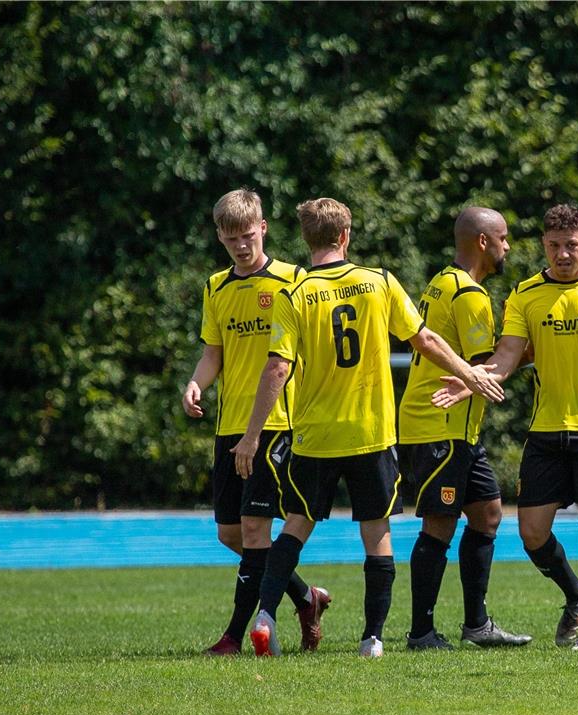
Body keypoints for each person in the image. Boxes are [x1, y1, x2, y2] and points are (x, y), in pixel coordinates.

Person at [232, 197, 504, 658]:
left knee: (295, 525)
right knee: (376, 534)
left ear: (307, 240)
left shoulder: (294, 294)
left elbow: (277, 367)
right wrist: (468, 371)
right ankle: (372, 638)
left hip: (315, 435)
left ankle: (266, 615)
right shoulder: (377, 281)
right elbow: (425, 339)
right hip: (371, 432)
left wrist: (252, 435)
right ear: (345, 236)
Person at [435, 203, 578, 652]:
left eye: (571, 245)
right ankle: (577, 595)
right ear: (543, 246)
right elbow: (508, 355)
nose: (563, 254)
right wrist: (473, 381)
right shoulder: (526, 293)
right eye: (554, 246)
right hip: (547, 431)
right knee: (532, 532)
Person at [182, 188, 329, 656]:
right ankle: (306, 597)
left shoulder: (293, 280)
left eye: (247, 235)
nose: (241, 246)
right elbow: (213, 353)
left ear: (263, 227)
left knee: (253, 531)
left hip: (275, 424)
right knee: (231, 534)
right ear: (220, 238)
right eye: (230, 240)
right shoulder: (216, 287)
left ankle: (235, 637)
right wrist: (196, 383)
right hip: (230, 427)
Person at [396, 207, 532, 651]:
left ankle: (477, 625)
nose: (507, 247)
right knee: (439, 523)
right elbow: (484, 367)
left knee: (488, 513)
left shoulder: (441, 280)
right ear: (482, 242)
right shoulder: (471, 294)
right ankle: (421, 633)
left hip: (458, 431)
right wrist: (536, 345)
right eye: (503, 238)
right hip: (439, 426)